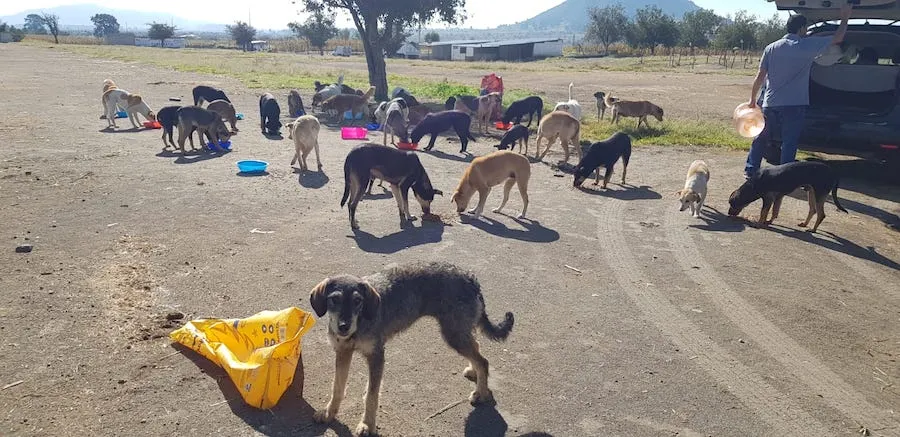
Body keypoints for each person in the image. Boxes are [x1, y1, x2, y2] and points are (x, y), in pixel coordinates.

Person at [745, 4, 853, 178]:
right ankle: (784, 175)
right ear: (802, 28)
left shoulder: (771, 48)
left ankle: (751, 171)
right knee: (789, 142)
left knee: (761, 138)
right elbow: (839, 38)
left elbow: (760, 76)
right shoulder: (807, 45)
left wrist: (752, 100)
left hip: (770, 103)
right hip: (794, 104)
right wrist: (845, 16)